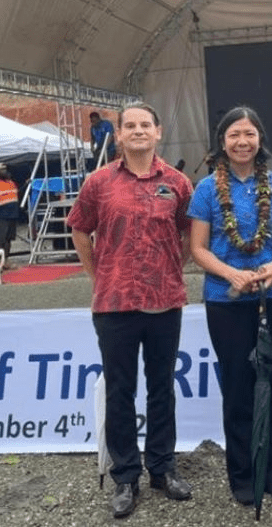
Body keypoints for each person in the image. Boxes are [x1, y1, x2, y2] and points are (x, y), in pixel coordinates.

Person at [67, 102, 193, 518]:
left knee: (162, 388)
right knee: (120, 392)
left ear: (158, 132)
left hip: (164, 301)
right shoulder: (98, 183)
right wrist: (98, 274)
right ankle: (125, 476)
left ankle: (162, 467)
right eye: (130, 126)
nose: (138, 131)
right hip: (114, 304)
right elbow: (80, 228)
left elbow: (190, 233)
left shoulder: (177, 183)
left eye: (145, 125)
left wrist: (173, 266)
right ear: (117, 135)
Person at [187, 106, 272, 506]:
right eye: (234, 134)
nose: (242, 142)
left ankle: (271, 469)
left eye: (249, 134)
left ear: (260, 139)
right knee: (237, 386)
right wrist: (231, 274)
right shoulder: (205, 189)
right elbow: (197, 249)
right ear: (222, 141)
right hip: (225, 301)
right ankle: (242, 474)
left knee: (269, 381)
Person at [0, 164, 19, 271]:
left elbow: (16, 195)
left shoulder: (11, 183)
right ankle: (1, 262)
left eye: (5, 170)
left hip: (12, 215)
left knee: (8, 240)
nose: (5, 172)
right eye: (2, 170)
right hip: (2, 216)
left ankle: (5, 261)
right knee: (1, 240)